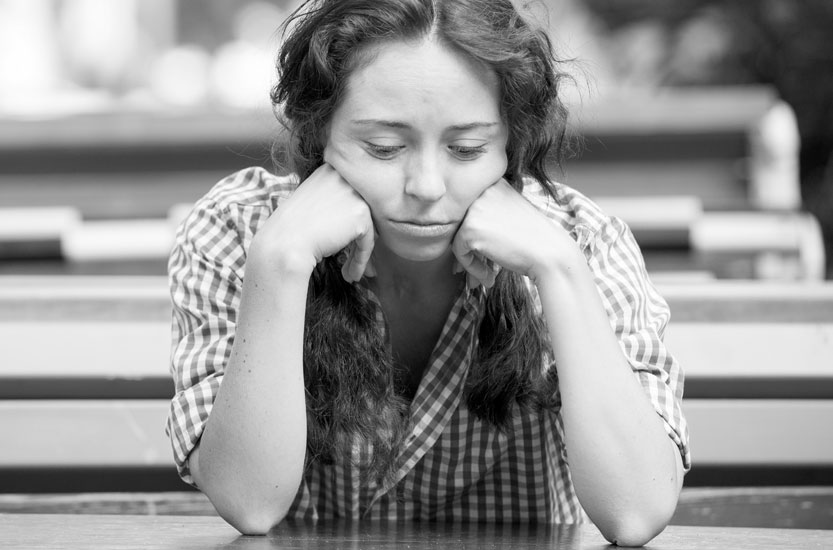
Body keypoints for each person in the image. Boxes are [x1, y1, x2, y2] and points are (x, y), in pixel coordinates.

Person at [167, 0, 690, 545]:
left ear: (512, 142)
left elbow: (636, 511)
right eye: (384, 148)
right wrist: (279, 263)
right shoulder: (241, 230)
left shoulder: (582, 242)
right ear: (317, 131)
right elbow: (250, 503)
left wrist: (559, 270)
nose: (426, 186)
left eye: (467, 150)